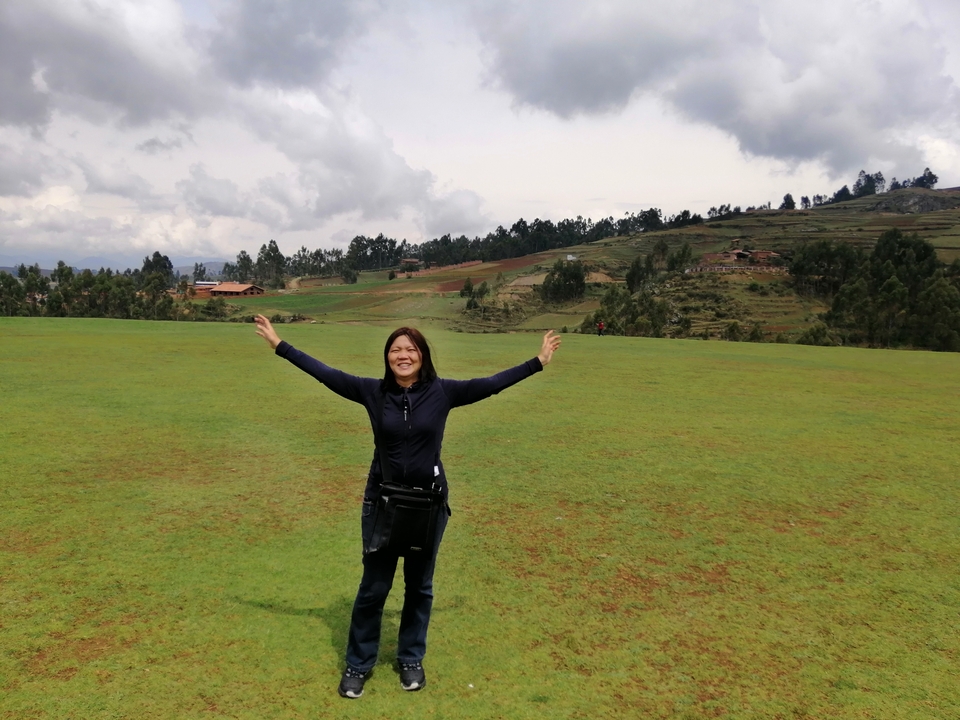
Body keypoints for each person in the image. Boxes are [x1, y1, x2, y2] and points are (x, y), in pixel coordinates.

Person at [253, 315, 561, 699]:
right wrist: (280, 345)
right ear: (387, 357)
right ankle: (358, 663)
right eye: (396, 350)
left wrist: (537, 362)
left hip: (427, 505)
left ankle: (411, 658)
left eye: (410, 349)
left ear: (422, 356)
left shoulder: (443, 392)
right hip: (382, 502)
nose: (403, 355)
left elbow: (490, 384)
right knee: (374, 588)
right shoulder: (372, 392)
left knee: (419, 586)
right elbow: (325, 373)